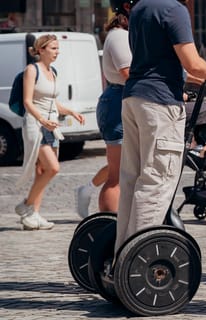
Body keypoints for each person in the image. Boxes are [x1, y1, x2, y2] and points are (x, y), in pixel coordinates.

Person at [116, 0, 206, 253]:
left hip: (134, 97)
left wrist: (193, 79)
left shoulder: (140, 9)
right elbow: (193, 63)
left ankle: (119, 257)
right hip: (160, 103)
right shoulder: (173, 10)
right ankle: (138, 257)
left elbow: (157, 62)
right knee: (156, 180)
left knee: (131, 180)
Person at [14, 34, 86, 230]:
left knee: (43, 171)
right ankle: (26, 205)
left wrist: (71, 111)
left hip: (52, 126)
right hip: (36, 125)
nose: (57, 52)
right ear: (41, 50)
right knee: (53, 168)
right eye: (53, 48)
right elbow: (28, 101)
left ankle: (33, 216)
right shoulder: (32, 70)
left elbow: (53, 103)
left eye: (57, 48)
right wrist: (42, 120)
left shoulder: (52, 71)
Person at [74, 6, 132, 219]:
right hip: (117, 102)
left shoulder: (123, 36)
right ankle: (108, 224)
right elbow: (128, 73)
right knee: (117, 174)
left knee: (123, 165)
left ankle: (87, 189)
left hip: (123, 100)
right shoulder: (119, 37)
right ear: (124, 17)